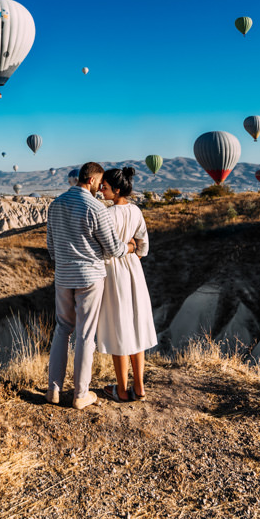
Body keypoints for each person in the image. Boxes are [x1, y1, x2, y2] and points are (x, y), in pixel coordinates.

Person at [46, 161, 137, 410]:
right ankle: (80, 394)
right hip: (89, 278)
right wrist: (131, 246)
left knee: (62, 330)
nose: (101, 187)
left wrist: (67, 260)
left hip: (63, 276)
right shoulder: (96, 208)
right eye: (100, 183)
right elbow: (115, 248)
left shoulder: (55, 205)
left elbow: (51, 249)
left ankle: (53, 389)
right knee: (85, 334)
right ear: (92, 181)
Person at [97, 167, 158, 402]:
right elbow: (144, 247)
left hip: (113, 272)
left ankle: (121, 391)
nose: (101, 190)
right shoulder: (136, 211)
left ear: (117, 190)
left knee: (118, 331)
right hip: (134, 270)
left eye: (105, 187)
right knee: (135, 327)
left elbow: (102, 249)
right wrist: (132, 249)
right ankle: (140, 387)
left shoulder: (106, 215)